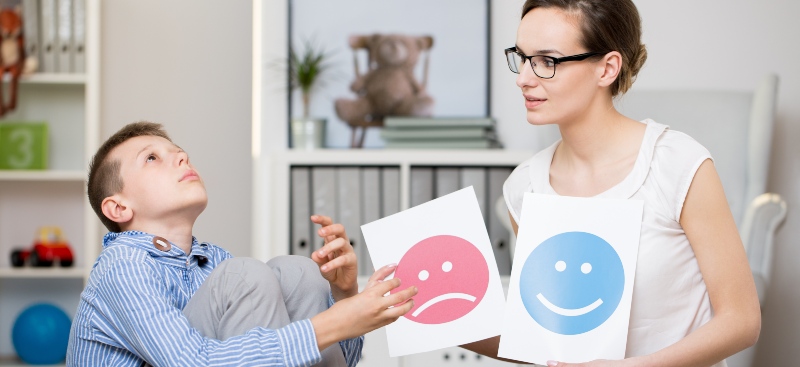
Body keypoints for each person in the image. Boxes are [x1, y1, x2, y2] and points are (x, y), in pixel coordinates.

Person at [462, 0, 761, 366]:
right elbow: (550, 341)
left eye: (547, 61)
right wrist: (445, 320)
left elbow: (741, 320)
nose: (523, 77)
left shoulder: (677, 163)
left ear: (607, 68)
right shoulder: (524, 188)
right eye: (521, 57)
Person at [66, 121, 417, 367]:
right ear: (118, 207)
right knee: (245, 275)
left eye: (180, 152)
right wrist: (334, 323)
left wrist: (344, 298)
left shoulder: (214, 261)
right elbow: (192, 362)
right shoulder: (122, 266)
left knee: (298, 272)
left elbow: (332, 359)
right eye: (152, 158)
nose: (182, 158)